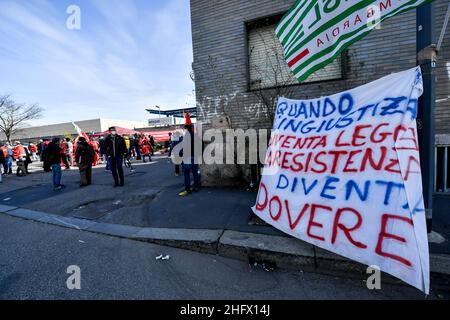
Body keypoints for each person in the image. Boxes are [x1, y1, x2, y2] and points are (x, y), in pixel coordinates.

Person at [178, 113, 201, 197]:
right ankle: (196, 187)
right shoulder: (196, 136)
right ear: (192, 127)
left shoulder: (186, 136)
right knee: (195, 172)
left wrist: (180, 154)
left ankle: (188, 189)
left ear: (186, 128)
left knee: (187, 173)